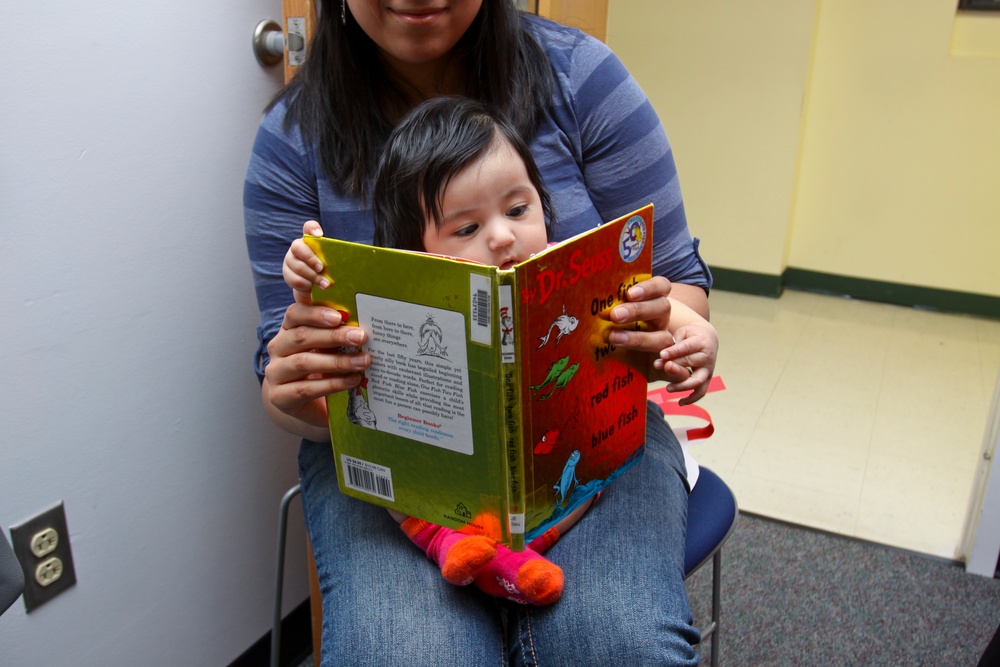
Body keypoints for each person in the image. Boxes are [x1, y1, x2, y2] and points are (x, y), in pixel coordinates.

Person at [244, 1, 717, 664]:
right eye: (463, 227)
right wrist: (293, 387)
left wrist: (671, 334)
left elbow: (676, 282)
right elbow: (282, 371)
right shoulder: (293, 138)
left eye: (520, 207)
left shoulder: (583, 79)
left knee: (619, 642)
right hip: (397, 460)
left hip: (589, 430)